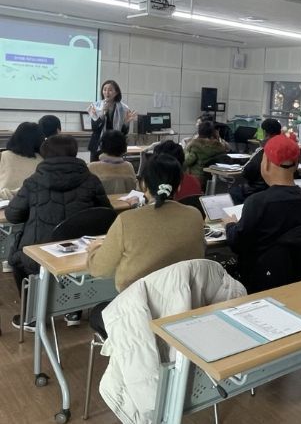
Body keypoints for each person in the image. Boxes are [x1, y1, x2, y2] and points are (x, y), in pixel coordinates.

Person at [223, 135, 301, 372]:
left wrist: (230, 225)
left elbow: (237, 243)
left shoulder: (257, 202)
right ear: (296, 164)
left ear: (266, 163)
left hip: (261, 280)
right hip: (300, 280)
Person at [86, 153, 206, 336]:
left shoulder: (127, 221)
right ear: (179, 185)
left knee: (98, 312)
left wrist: (94, 248)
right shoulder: (195, 215)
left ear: (142, 184)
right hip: (184, 308)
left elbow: (99, 270)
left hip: (138, 313)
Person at [5, 135, 112, 330]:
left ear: (45, 154)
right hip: (81, 252)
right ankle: (74, 311)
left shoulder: (33, 182)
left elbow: (13, 215)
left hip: (40, 254)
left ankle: (31, 316)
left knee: (17, 259)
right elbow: (105, 214)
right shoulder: (91, 180)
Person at [230, 118, 282, 204]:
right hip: (277, 191)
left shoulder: (263, 150)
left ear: (264, 132)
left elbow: (246, 171)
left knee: (234, 190)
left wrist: (261, 147)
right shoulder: (285, 148)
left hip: (257, 191)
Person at [87, 80, 137, 162]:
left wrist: (126, 123)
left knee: (114, 169)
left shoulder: (123, 109)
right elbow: (94, 128)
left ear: (116, 92)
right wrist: (102, 113)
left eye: (110, 90)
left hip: (115, 146)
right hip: (98, 145)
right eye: (104, 89)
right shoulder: (96, 106)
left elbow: (124, 133)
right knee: (95, 168)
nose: (107, 92)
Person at [0, 122, 44, 200]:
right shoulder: (43, 160)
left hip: (3, 200)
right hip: (33, 201)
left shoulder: (4, 155)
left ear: (15, 137)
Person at [184, 120, 231, 187]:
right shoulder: (219, 146)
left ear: (199, 132)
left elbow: (187, 161)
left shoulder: (195, 145)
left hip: (197, 179)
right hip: (213, 178)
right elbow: (228, 148)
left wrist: (187, 148)